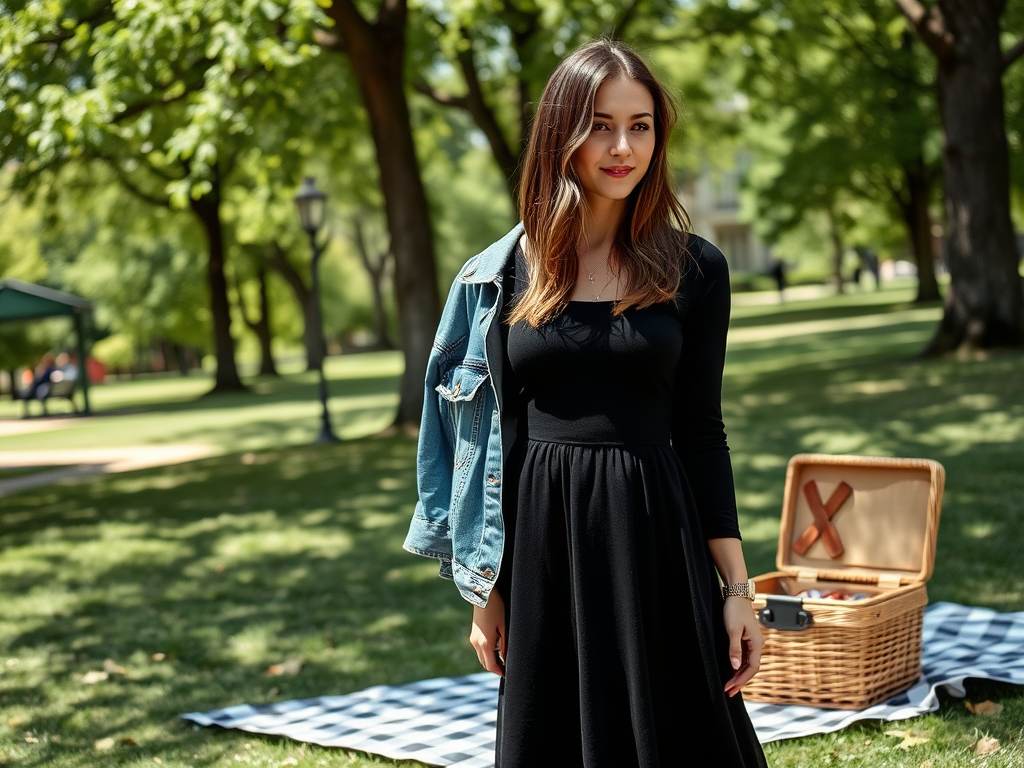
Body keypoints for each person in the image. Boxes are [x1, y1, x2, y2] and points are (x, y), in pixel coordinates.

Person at [405, 39, 767, 768]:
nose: (623, 146)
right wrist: (486, 590)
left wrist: (737, 588)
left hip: (654, 530)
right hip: (543, 541)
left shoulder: (696, 268)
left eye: (640, 125)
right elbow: (492, 439)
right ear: (562, 132)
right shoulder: (499, 275)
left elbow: (702, 432)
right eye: (601, 124)